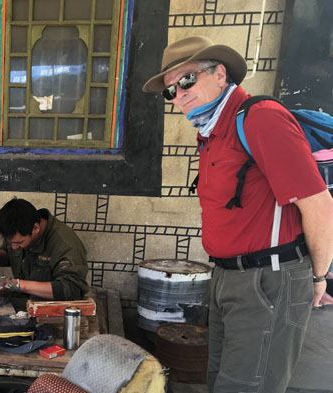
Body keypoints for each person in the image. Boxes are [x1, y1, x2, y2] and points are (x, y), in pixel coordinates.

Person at [142, 36, 333, 393]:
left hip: (268, 278)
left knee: (249, 386)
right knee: (219, 381)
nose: (179, 95)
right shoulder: (212, 129)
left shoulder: (261, 118)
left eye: (186, 80)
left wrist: (319, 278)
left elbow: (319, 203)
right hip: (227, 277)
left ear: (219, 73)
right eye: (171, 91)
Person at [0, 198, 89, 310]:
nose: (14, 247)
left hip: (52, 311)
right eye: (10, 243)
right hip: (24, 303)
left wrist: (17, 284)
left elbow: (72, 289)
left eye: (19, 243)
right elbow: (11, 255)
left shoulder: (65, 244)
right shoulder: (17, 230)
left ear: (36, 228)